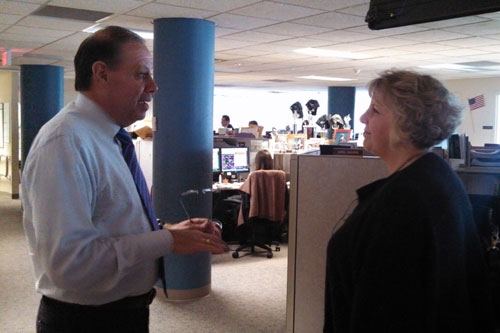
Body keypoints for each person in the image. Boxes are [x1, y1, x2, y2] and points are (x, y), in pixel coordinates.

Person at [21, 26, 227, 332]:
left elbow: (111, 222)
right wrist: (167, 240)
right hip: (86, 321)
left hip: (124, 313)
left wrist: (168, 231)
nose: (154, 86)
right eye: (141, 74)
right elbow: (70, 264)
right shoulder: (65, 144)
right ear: (101, 74)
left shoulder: (111, 138)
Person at [324, 70, 493, 332]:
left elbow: (389, 312)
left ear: (406, 124)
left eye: (376, 110)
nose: (362, 117)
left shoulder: (405, 201)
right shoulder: (433, 175)